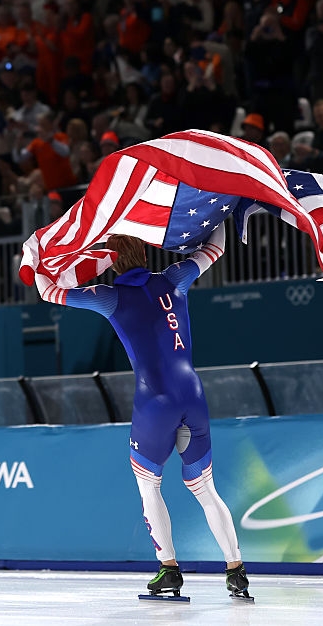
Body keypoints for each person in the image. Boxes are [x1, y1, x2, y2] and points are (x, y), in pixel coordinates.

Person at [34, 229, 250, 600]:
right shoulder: (174, 277)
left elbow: (47, 291)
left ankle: (169, 569)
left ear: (110, 260)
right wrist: (223, 204)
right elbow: (216, 246)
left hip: (155, 404)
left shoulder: (109, 297)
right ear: (148, 253)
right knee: (206, 491)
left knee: (149, 484)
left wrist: (35, 254)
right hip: (193, 396)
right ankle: (236, 571)